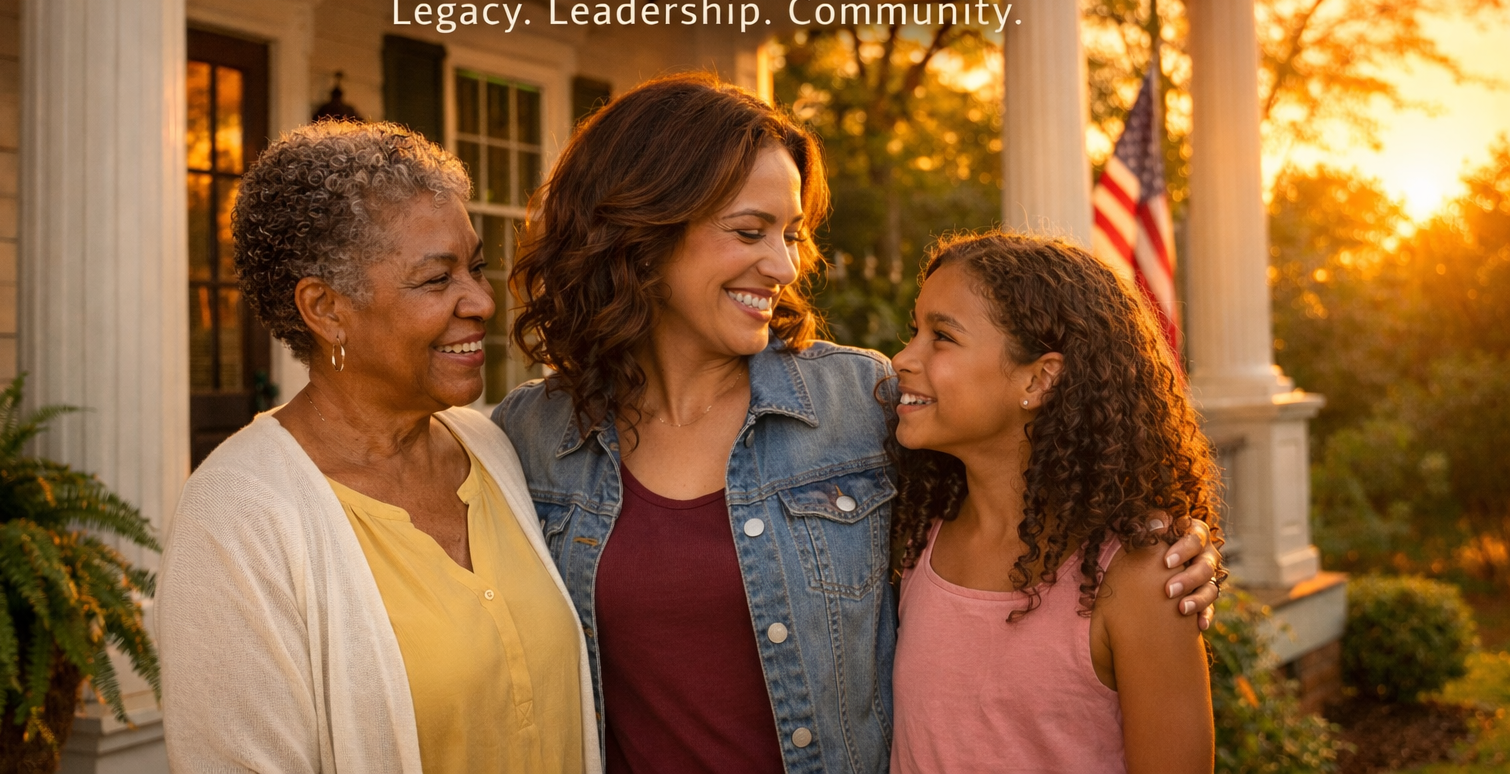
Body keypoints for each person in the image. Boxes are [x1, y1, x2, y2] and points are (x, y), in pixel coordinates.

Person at [495, 74, 1222, 774]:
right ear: (640, 233)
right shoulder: (530, 439)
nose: (782, 265)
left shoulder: (859, 402)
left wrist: (1174, 549)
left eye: (791, 233)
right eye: (750, 230)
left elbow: (1029, 483)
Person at [157, 120, 600, 774]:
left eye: (474, 267)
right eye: (435, 280)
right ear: (326, 309)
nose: (480, 300)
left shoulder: (494, 447)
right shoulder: (235, 518)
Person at [888, 231, 1219, 774]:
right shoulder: (913, 533)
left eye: (941, 336)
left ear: (1040, 379)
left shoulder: (1140, 577)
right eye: (914, 331)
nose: (903, 358)